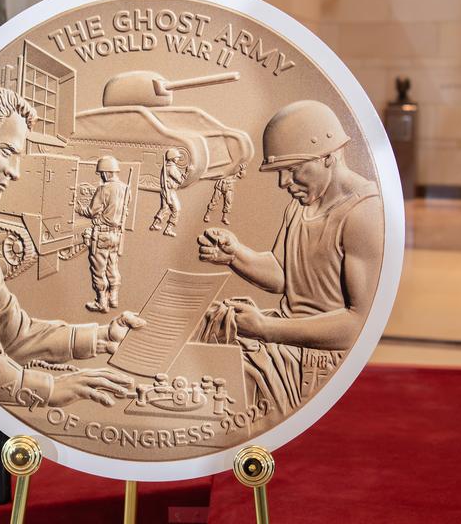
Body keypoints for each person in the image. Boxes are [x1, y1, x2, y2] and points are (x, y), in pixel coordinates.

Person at [0, 79, 143, 410]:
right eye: (7, 151)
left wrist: (100, 338)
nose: (15, 172)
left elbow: (15, 332)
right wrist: (47, 389)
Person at [196, 100, 383, 414]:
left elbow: (358, 325)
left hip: (320, 361)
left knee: (222, 388)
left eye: (293, 169)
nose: (284, 182)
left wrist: (266, 329)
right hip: (286, 344)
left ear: (329, 157)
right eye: (280, 171)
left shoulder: (363, 213)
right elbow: (283, 276)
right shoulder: (299, 208)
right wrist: (235, 256)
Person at [76, 155, 131, 313]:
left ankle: (102, 302)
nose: (101, 176)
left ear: (106, 173)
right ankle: (114, 298)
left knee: (99, 269)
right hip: (116, 235)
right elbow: (125, 210)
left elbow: (91, 212)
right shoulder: (126, 188)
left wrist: (78, 208)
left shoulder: (104, 188)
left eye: (101, 173)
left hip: (102, 235)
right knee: (112, 266)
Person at [150, 148, 192, 237]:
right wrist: (187, 172)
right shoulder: (172, 168)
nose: (178, 159)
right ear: (172, 158)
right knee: (176, 210)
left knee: (164, 208)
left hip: (165, 191)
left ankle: (155, 224)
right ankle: (169, 229)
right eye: (177, 157)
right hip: (170, 192)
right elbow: (180, 180)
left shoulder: (166, 167)